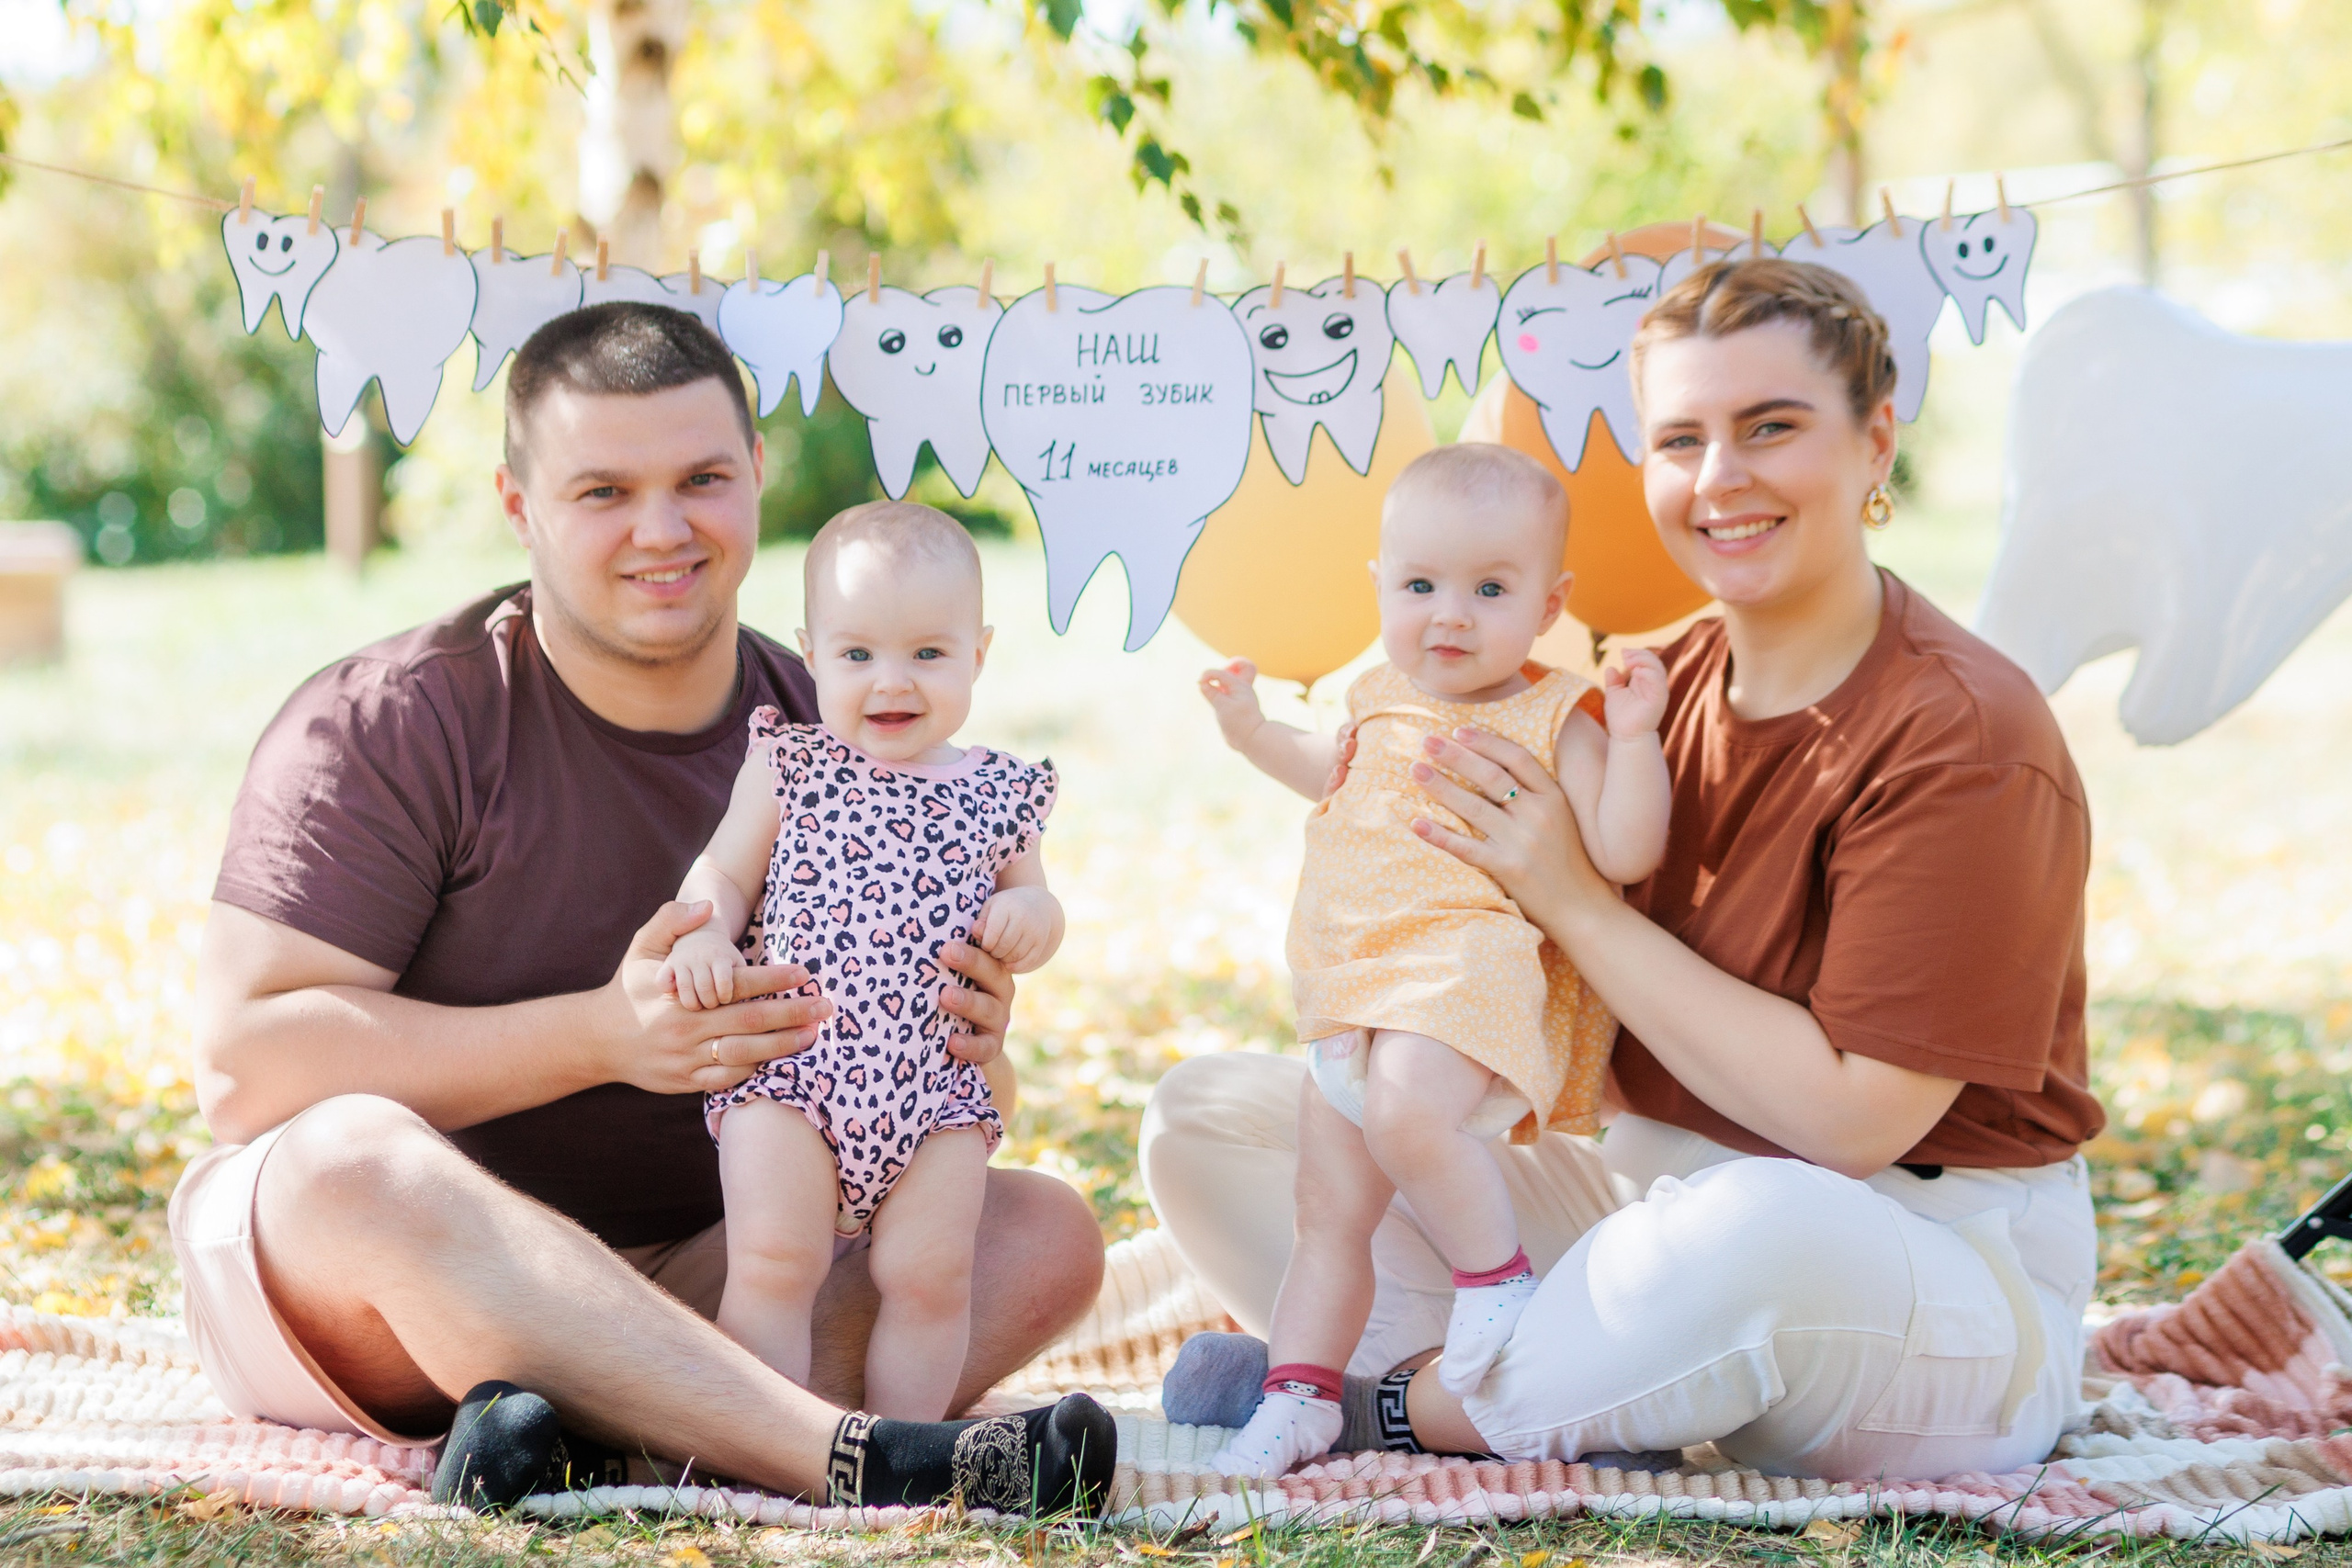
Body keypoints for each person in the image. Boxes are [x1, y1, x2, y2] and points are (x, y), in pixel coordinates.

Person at [1147, 258, 2105, 1483]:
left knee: (1756, 1234)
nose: (1721, 478)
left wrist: (1570, 896)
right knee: (1211, 1120)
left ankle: (1403, 1405)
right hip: (1651, 1194)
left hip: (1918, 1250)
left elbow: (1850, 1121)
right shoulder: (1652, 691)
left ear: (1875, 445)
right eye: (1681, 438)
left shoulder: (1962, 731)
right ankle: (1578, 1366)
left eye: (1771, 427)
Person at [172, 302, 1113, 1510]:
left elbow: (929, 1089)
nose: (662, 529)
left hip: (711, 1266)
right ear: (520, 507)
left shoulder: (847, 714)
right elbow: (246, 1070)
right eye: (603, 490)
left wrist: (972, 1038)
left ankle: (581, 1437)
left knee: (1039, 1230)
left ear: (758, 475)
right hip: (404, 1285)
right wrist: (608, 1033)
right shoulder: (394, 721)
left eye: (703, 477)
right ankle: (843, 1451)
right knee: (348, 1165)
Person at [1192, 445, 1669, 1476]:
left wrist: (1632, 739)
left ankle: (1496, 1282)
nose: (1449, 615)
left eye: (1490, 589)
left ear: (1550, 603)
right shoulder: (1375, 694)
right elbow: (1328, 773)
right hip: (1354, 984)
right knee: (1328, 1215)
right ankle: (1301, 1395)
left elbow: (1626, 850)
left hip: (1461, 974)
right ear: (1378, 587)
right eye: (1420, 586)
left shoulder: (1553, 716)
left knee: (1409, 1108)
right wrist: (1249, 732)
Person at [665, 501, 1064, 1420]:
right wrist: (703, 930)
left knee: (930, 1277)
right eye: (858, 656)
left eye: (928, 653)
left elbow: (1035, 896)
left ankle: (902, 1450)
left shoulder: (999, 790)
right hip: (792, 1074)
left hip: (934, 1090)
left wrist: (1030, 917)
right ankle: (763, 1444)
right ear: (811, 655)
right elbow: (726, 868)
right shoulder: (790, 765)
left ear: (979, 653)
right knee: (774, 1260)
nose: (893, 682)